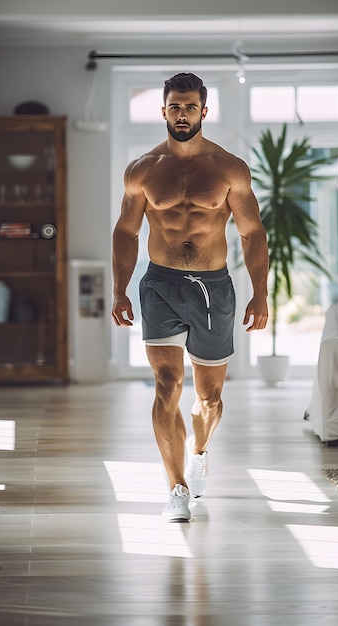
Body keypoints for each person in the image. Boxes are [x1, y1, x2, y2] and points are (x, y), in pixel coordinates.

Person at [112, 72, 268, 522]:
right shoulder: (142, 170)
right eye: (175, 107)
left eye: (190, 107)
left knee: (210, 397)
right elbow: (126, 231)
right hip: (159, 284)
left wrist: (260, 294)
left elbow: (252, 231)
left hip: (213, 287)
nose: (183, 114)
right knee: (166, 385)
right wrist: (120, 288)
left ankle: (199, 450)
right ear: (164, 111)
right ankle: (176, 487)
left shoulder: (229, 168)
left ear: (204, 111)